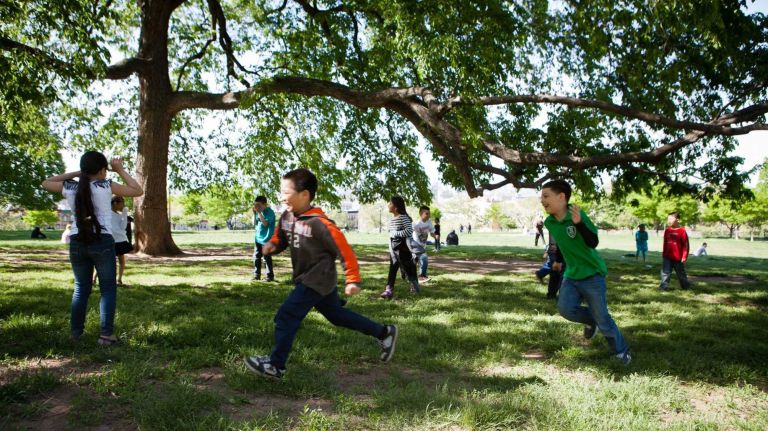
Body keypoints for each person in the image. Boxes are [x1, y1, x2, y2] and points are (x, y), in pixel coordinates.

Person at [243, 168, 397, 379]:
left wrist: (352, 279)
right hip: (308, 278)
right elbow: (281, 238)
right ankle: (384, 332)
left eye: (286, 192)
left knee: (287, 315)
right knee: (336, 315)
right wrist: (272, 246)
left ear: (304, 194)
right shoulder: (287, 217)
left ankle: (275, 365)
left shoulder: (321, 224)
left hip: (317, 278)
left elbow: (345, 251)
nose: (282, 196)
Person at [42, 151, 143, 345]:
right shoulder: (106, 186)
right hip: (102, 241)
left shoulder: (70, 186)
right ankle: (106, 335)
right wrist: (120, 170)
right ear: (102, 170)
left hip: (77, 241)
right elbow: (137, 190)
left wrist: (77, 174)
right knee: (107, 288)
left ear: (84, 170)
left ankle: (75, 333)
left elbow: (46, 182)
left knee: (81, 288)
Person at [540, 180, 631, 365]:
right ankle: (592, 320)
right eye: (541, 197)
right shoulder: (549, 221)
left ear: (561, 197)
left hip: (592, 274)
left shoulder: (577, 214)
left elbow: (592, 242)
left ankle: (621, 352)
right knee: (565, 309)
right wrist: (557, 260)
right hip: (571, 274)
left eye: (546, 196)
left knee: (603, 318)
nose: (542, 200)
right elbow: (562, 243)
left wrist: (579, 224)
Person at [380, 196, 420, 299]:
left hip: (403, 249)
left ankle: (415, 286)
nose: (388, 205)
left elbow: (409, 231)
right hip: (394, 249)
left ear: (396, 207)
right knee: (392, 268)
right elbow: (391, 235)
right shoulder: (393, 219)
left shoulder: (403, 217)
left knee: (408, 267)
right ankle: (389, 290)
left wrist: (395, 233)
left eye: (390, 203)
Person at [660, 211, 691, 291]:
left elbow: (686, 245)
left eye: (671, 219)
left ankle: (686, 287)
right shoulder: (667, 231)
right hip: (667, 257)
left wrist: (684, 257)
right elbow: (665, 243)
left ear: (677, 219)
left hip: (678, 258)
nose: (669, 221)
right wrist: (664, 254)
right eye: (668, 219)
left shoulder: (682, 231)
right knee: (665, 273)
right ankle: (664, 287)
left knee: (681, 274)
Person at [252, 196, 276, 281]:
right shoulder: (259, 212)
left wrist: (258, 213)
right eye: (255, 205)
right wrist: (255, 214)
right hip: (258, 238)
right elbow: (254, 224)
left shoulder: (270, 212)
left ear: (265, 204)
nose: (257, 207)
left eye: (259, 205)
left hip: (267, 239)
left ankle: (270, 276)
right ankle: (256, 275)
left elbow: (265, 224)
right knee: (256, 256)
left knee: (267, 257)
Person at [110, 197, 133, 286]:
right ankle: (94, 278)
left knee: (122, 261)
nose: (123, 206)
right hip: (111, 241)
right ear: (115, 203)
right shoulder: (107, 214)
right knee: (107, 261)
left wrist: (124, 213)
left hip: (120, 240)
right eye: (122, 203)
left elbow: (123, 227)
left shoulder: (120, 215)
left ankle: (119, 280)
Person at [412, 206, 437, 283]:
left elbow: (432, 231)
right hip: (415, 244)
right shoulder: (416, 224)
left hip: (423, 245)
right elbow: (409, 232)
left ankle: (408, 274)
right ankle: (421, 276)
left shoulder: (429, 222)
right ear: (420, 213)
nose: (428, 215)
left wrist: (435, 236)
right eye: (426, 213)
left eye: (429, 214)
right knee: (424, 258)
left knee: (414, 261)